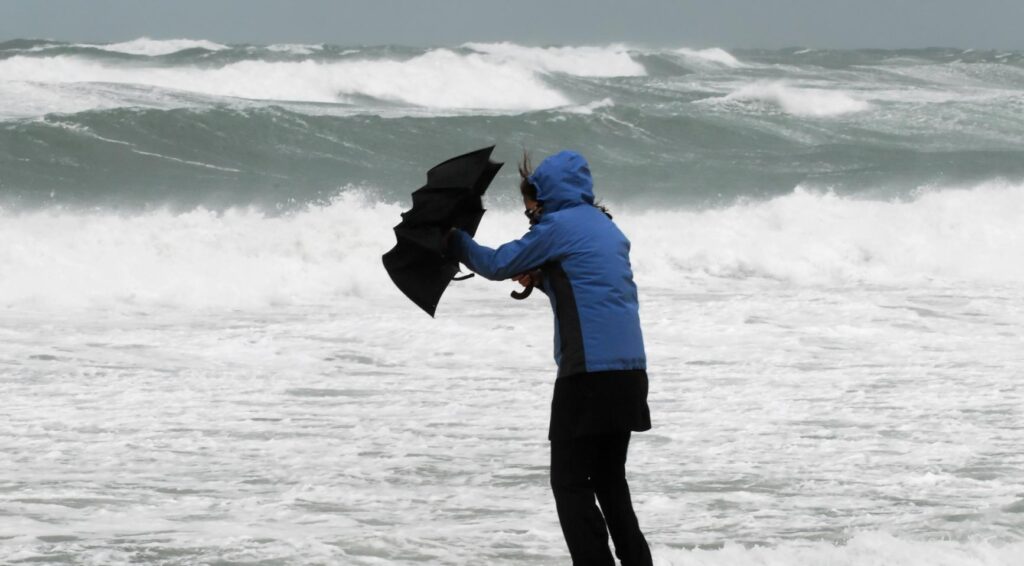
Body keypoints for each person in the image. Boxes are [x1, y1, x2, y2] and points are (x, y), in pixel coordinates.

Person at [446, 150, 653, 565]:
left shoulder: (556, 226)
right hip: (629, 373)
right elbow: (590, 288)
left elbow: (495, 263)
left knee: (570, 483)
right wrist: (544, 279)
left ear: (544, 198)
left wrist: (450, 238)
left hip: (588, 374)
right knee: (611, 482)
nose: (531, 221)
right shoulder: (606, 227)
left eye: (530, 212)